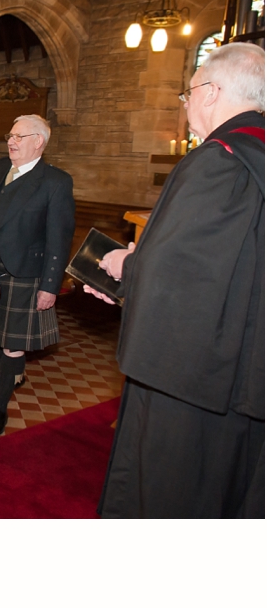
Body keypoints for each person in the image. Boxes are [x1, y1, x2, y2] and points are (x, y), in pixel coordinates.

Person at [88, 43, 264, 518]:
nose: (185, 107)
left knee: (174, 486)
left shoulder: (217, 161)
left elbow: (180, 272)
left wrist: (125, 265)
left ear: (212, 92)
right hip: (249, 365)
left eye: (187, 95)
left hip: (193, 372)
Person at [0, 114, 74, 436]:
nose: (11, 141)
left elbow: (59, 239)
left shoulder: (55, 182)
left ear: (38, 141)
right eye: (10, 135)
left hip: (24, 274)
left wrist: (50, 286)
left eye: (19, 137)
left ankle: (0, 409)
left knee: (12, 345)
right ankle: (13, 374)